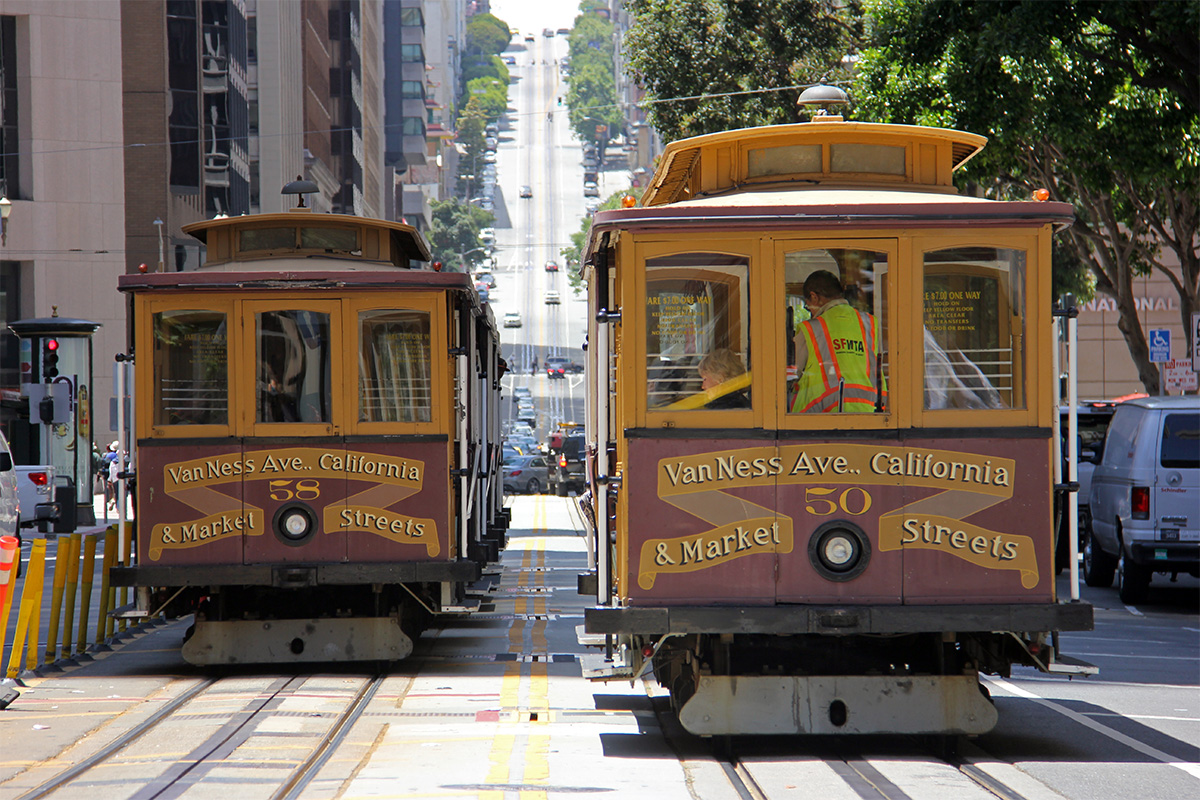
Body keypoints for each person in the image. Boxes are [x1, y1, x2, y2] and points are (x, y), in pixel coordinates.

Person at [791, 270, 886, 413]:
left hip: (821, 418)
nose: (809, 310)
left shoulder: (811, 328)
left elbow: (792, 373)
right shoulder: (870, 323)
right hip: (871, 413)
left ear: (814, 297)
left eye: (807, 305)